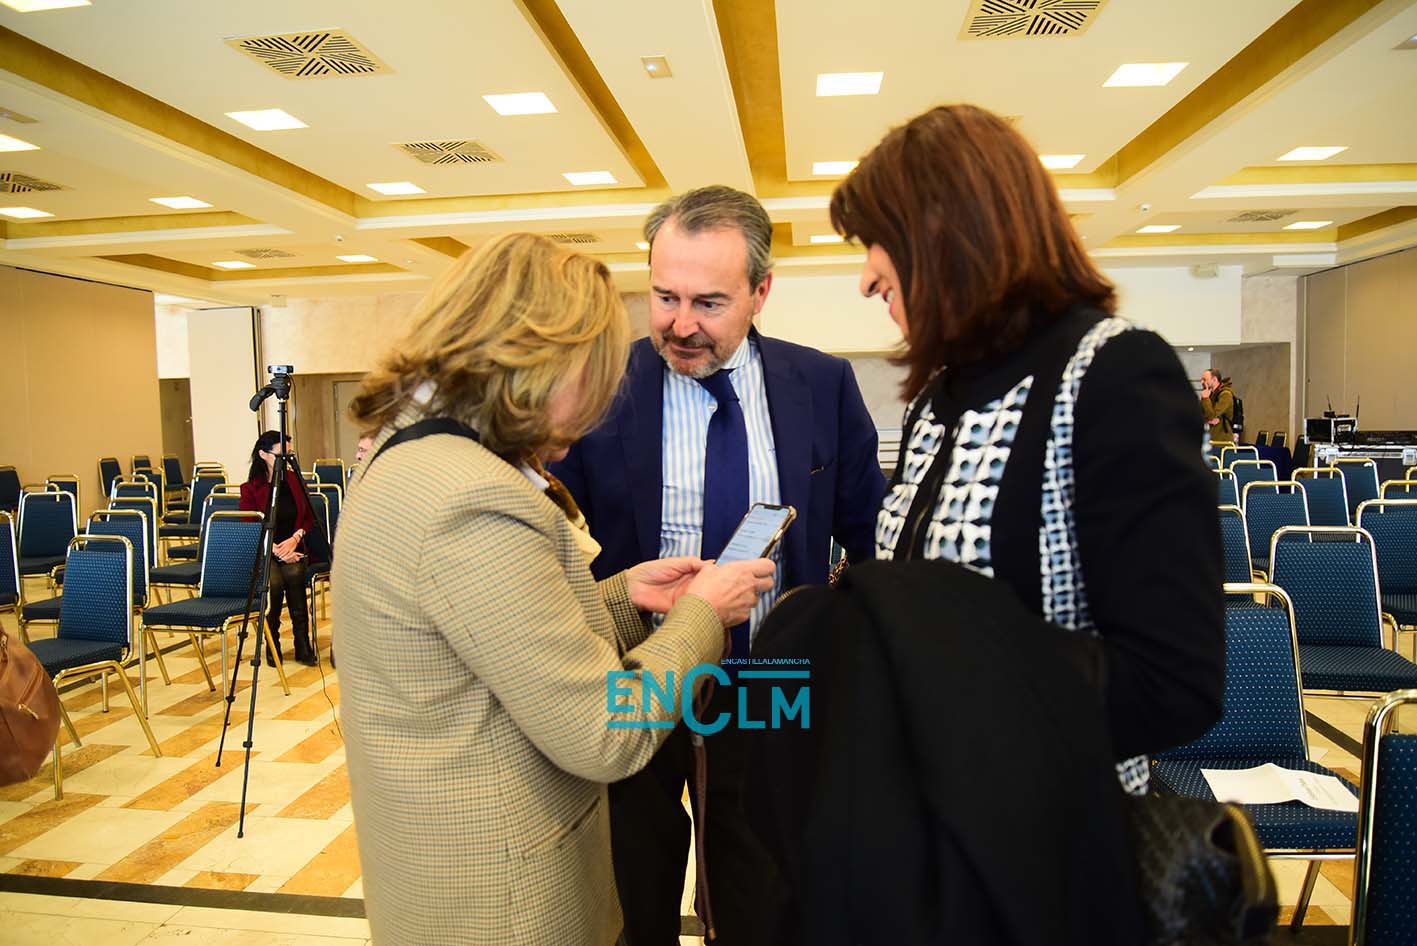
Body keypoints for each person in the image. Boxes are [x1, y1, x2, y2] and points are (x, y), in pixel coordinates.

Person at [746, 102, 1226, 944]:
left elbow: (1174, 684)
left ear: (946, 232)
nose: (865, 277)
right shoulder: (938, 397)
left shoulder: (1110, 375)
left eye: (878, 242)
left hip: (1041, 856)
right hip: (919, 848)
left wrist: (950, 684)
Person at [332, 233, 775, 946]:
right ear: (537, 362)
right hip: (503, 908)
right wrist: (701, 615)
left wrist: (622, 597)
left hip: (446, 883)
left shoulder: (411, 457)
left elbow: (491, 645)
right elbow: (607, 731)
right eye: (592, 376)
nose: (597, 408)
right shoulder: (471, 497)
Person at [550, 185, 886, 946]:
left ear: (761, 292)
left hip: (771, 678)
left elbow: (869, 532)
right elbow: (558, 548)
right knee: (633, 880)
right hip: (637, 675)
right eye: (664, 297)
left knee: (758, 886)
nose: (680, 324)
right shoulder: (600, 386)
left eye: (708, 303)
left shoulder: (821, 385)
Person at [239, 430, 316, 667]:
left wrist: (295, 538)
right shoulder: (250, 488)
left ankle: (302, 642)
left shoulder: (294, 480)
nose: (287, 460)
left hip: (294, 546)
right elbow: (250, 524)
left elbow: (308, 517)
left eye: (290, 454)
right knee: (273, 582)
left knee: (294, 575)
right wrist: (274, 549)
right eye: (282, 454)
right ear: (263, 454)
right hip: (265, 550)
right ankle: (272, 642)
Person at [1199, 368, 1236, 444]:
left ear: (1214, 379)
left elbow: (1211, 415)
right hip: (1210, 440)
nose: (1202, 382)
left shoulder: (1225, 395)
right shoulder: (1209, 394)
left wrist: (1205, 399)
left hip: (1222, 442)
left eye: (1204, 379)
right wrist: (1208, 420)